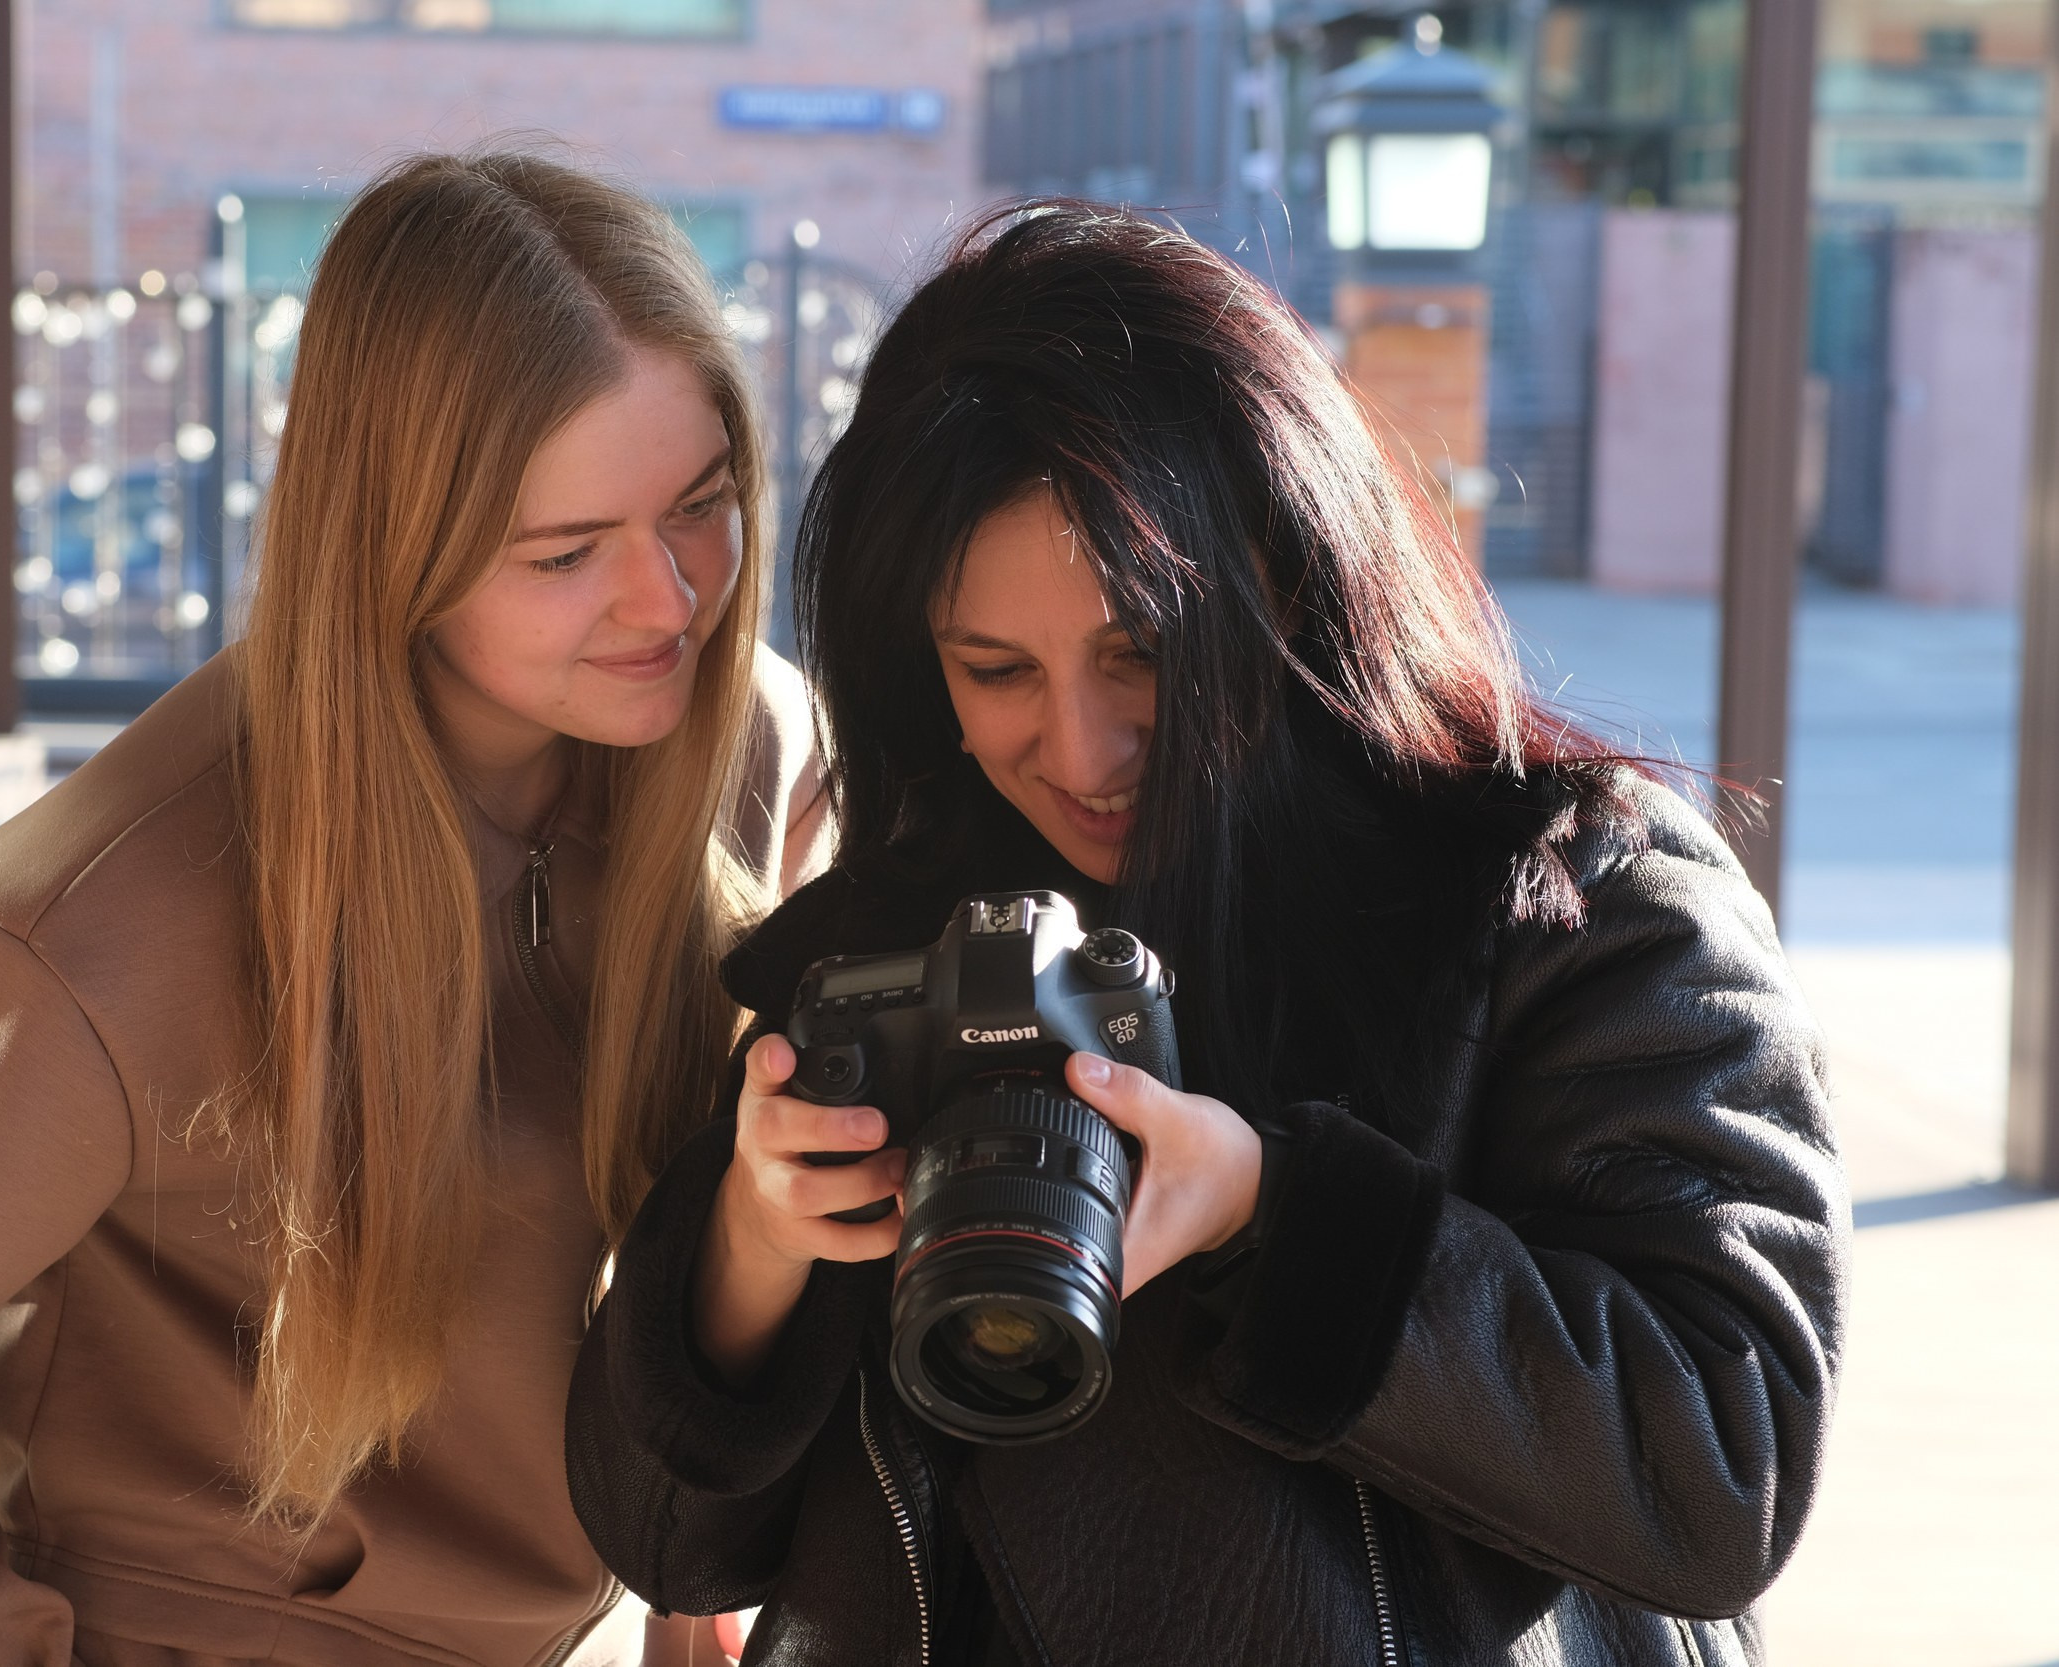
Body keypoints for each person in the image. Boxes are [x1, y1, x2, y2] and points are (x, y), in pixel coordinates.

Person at [564, 204, 1846, 1666]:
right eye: (996, 670)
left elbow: (1723, 1467)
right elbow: (660, 1541)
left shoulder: (1568, 895)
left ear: (1289, 576)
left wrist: (1272, 1215)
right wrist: (750, 1246)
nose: (1081, 749)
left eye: (1144, 653)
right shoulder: (896, 953)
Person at [0, 152, 830, 1667]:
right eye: (565, 554)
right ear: (392, 538)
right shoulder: (105, 920)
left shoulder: (747, 745)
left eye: (702, 504)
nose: (669, 600)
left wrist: (695, 1591)